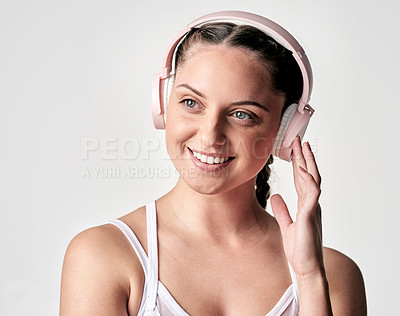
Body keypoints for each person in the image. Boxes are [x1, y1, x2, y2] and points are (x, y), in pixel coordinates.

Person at [60, 11, 367, 316]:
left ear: (285, 132)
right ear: (163, 105)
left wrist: (310, 278)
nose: (210, 135)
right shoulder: (103, 257)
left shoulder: (334, 276)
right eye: (191, 103)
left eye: (242, 114)